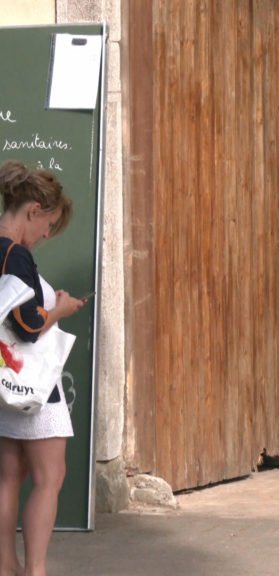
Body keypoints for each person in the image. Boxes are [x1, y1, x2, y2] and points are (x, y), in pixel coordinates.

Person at [0, 160, 85, 576]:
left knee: (8, 477)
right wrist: (61, 309)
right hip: (32, 384)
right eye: (48, 224)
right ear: (33, 210)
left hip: (4, 379)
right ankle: (35, 571)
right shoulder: (16, 255)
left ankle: (5, 566)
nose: (47, 235)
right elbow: (28, 324)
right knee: (50, 476)